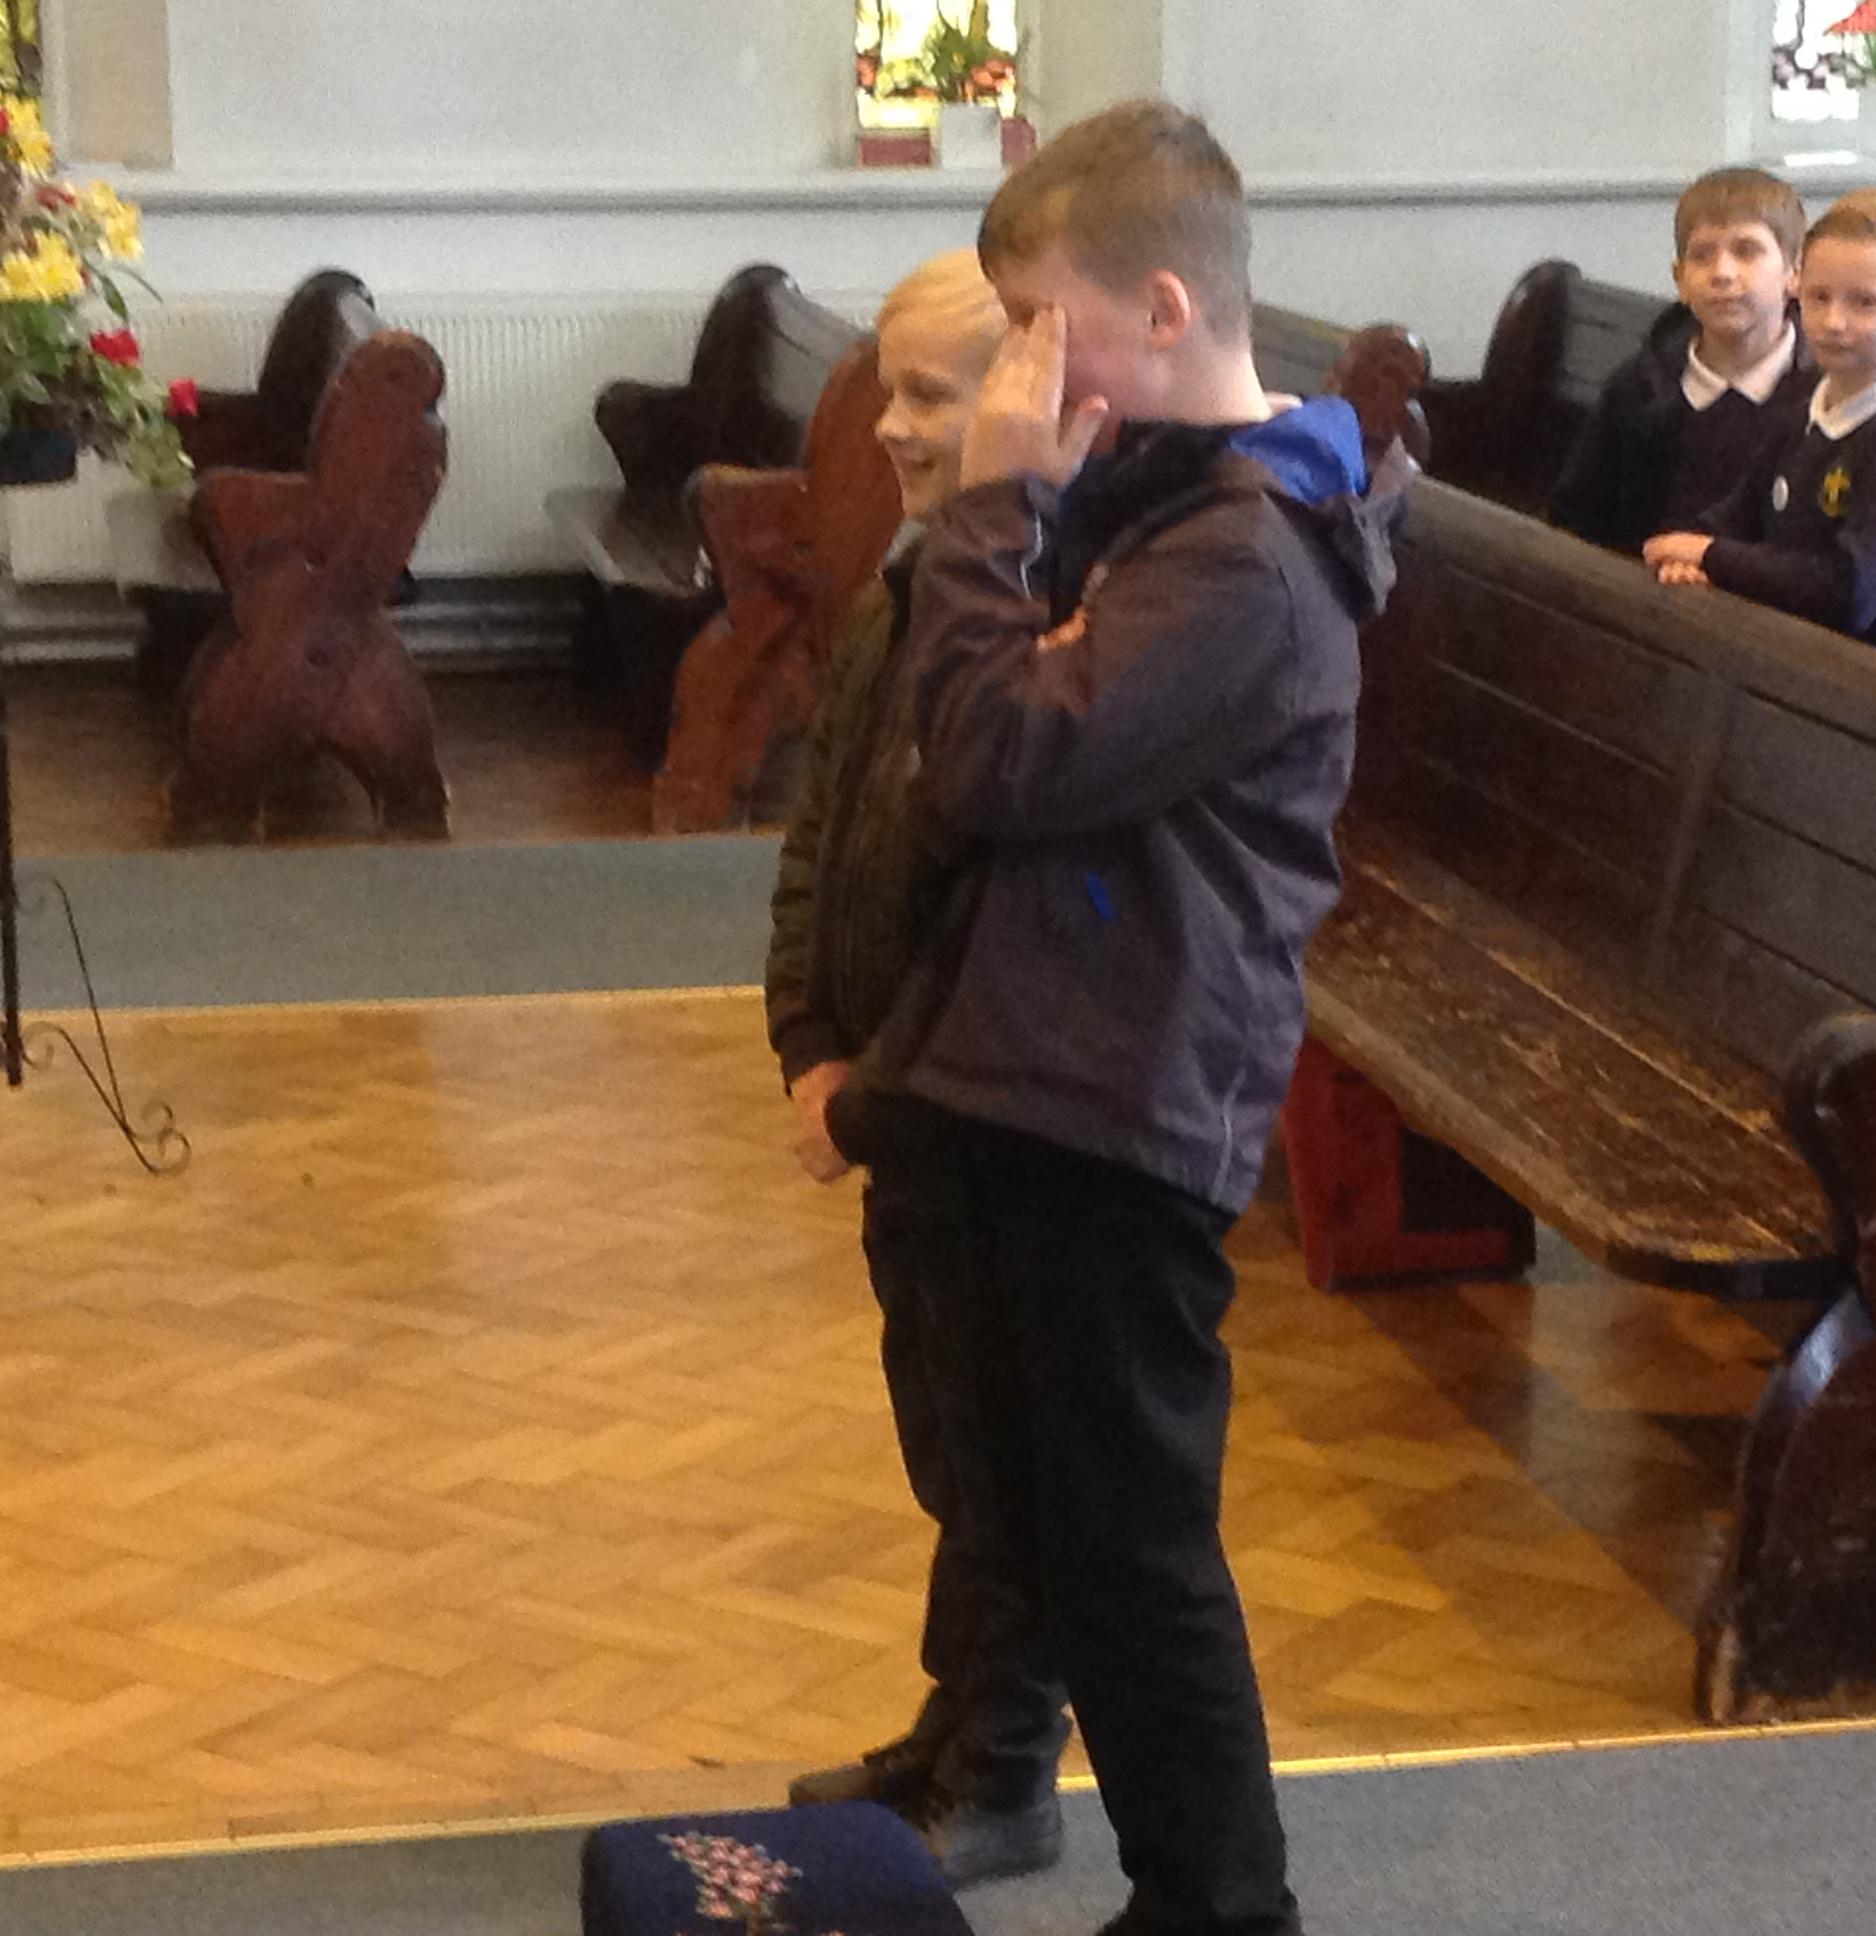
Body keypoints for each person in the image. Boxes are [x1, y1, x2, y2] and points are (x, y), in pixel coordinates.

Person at [824, 99, 1411, 1936]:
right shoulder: (1158, 505)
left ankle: (1224, 1908)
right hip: (1039, 1064)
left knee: (1137, 1546)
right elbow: (966, 732)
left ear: (1162, 310)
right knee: (1058, 1519)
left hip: (1126, 1085)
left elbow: (997, 756)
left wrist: (995, 504)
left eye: (1034, 323)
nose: (1016, 368)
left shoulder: (1246, 555)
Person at [762, 248, 1073, 1886]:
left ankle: (1008, 1766)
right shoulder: (904, 587)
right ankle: (953, 1722)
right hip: (890, 1095)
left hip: (972, 1109)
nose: (888, 425)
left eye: (926, 397)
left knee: (1007, 1450)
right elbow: (823, 839)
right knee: (944, 1428)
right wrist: (806, 1041)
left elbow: (995, 904)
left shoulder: (1031, 609)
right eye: (886, 391)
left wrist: (871, 1087)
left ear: (1023, 394)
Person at [1643, 188, 1876, 646]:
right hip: (1778, 645)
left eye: (1864, 303)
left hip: (1861, 670)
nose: (1833, 322)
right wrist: (1688, 556)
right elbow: (1735, 516)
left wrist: (1711, 557)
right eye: (1819, 297)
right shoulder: (1802, 406)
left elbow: (1849, 590)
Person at [1546, 166, 1816, 554]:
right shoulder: (1639, 387)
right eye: (1702, 255)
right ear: (1681, 280)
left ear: (1795, 274)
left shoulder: (1823, 398)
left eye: (1746, 251)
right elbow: (1577, 518)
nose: (1722, 273)